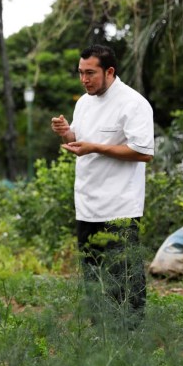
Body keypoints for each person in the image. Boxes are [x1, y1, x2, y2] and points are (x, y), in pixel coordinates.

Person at [51, 44, 154, 328]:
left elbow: (144, 152)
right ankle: (100, 334)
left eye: (90, 73)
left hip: (120, 206)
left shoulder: (133, 103)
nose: (84, 80)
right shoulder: (83, 102)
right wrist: (66, 133)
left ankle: (131, 334)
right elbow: (78, 141)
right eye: (81, 73)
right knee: (93, 276)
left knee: (124, 277)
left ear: (109, 71)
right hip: (86, 205)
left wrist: (95, 147)